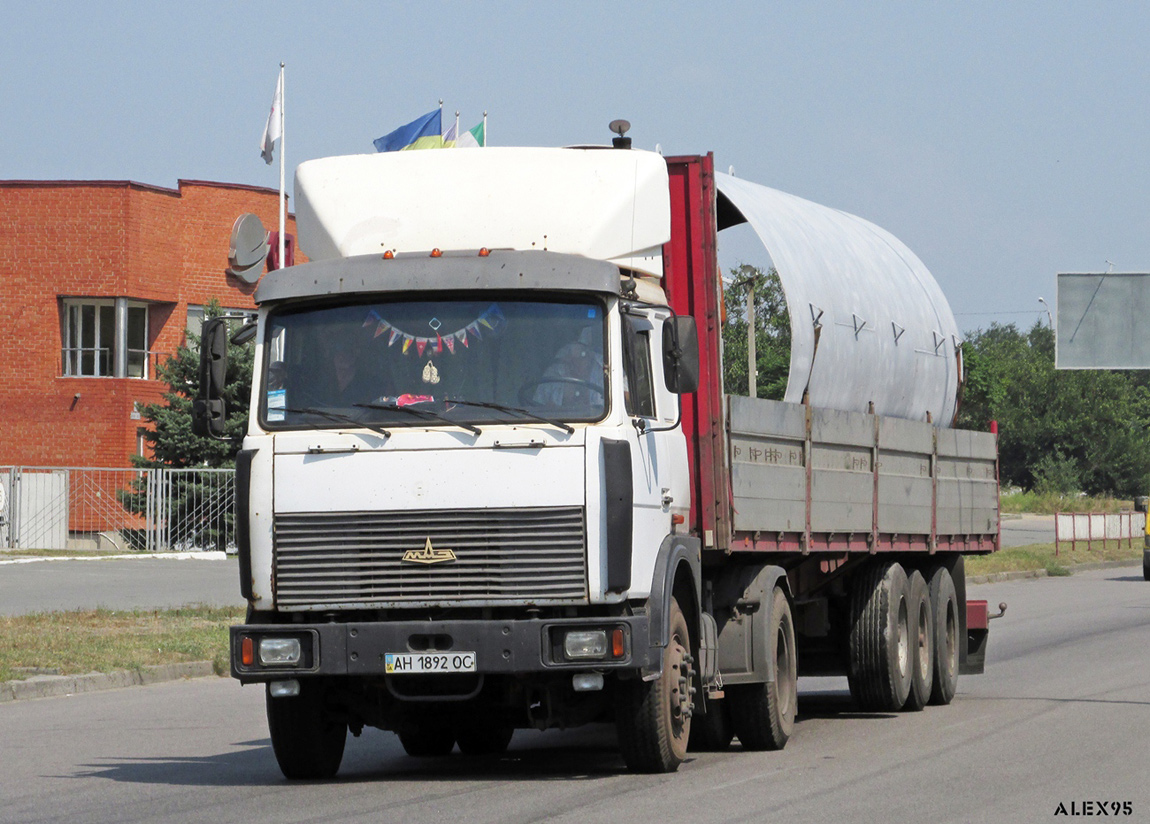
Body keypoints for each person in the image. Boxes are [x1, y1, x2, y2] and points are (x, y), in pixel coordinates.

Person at [533, 327, 604, 411]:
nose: (575, 361)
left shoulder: (606, 373)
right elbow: (536, 409)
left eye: (582, 355)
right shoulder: (553, 375)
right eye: (569, 353)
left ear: (590, 355)